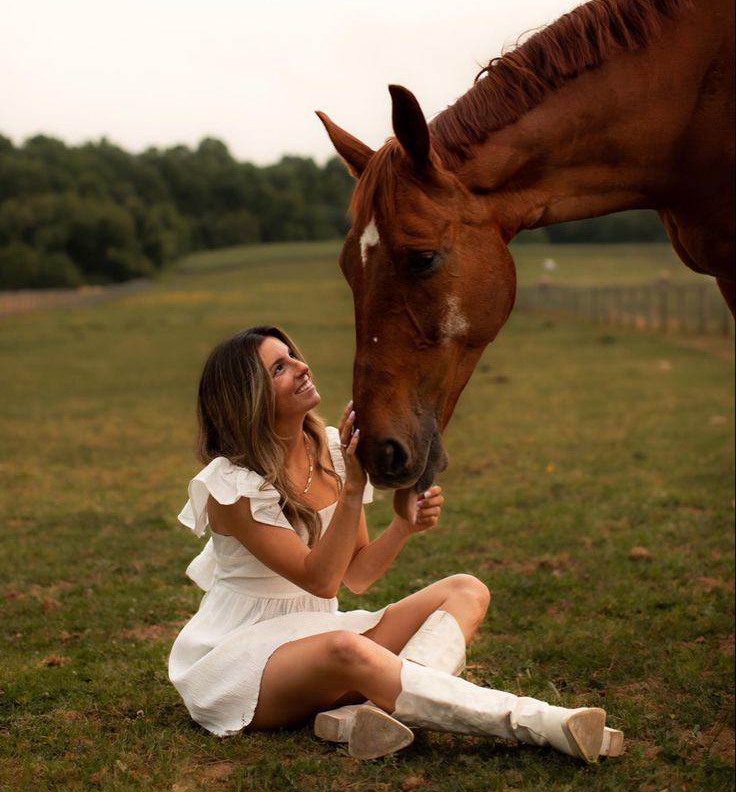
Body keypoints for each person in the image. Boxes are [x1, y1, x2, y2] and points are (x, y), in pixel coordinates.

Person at [169, 325, 624, 762]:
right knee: (346, 648)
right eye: (279, 368)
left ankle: (359, 718)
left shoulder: (329, 448)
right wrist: (351, 493)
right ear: (246, 399)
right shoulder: (231, 486)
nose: (300, 366)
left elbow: (358, 574)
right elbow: (322, 582)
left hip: (316, 636)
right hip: (245, 659)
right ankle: (542, 722)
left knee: (465, 589)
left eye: (292, 355)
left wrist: (401, 527)